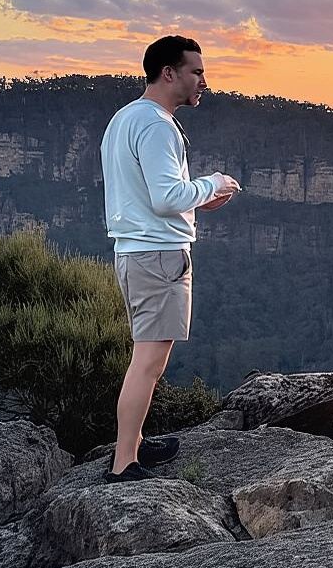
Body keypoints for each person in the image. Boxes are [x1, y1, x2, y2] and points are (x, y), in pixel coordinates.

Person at [99, 36, 241, 482]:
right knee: (149, 362)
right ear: (169, 73)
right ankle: (124, 463)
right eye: (196, 72)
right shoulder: (158, 125)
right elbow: (165, 198)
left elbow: (148, 194)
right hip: (159, 255)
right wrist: (213, 182)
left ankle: (135, 443)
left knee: (149, 358)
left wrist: (195, 200)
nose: (204, 81)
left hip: (134, 251)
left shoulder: (124, 119)